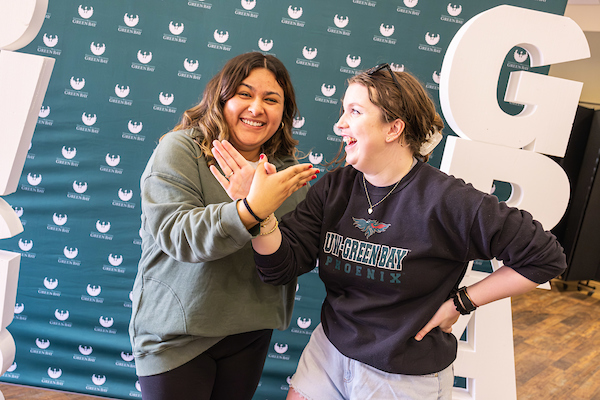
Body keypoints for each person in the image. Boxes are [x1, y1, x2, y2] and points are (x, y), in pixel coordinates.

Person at [215, 63, 567, 399]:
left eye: (354, 112)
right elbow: (280, 267)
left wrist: (463, 302)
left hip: (403, 376)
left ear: (393, 128)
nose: (339, 125)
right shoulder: (334, 189)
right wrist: (257, 212)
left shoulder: (448, 200)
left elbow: (544, 257)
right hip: (329, 354)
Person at [128, 52, 319, 400]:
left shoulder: (286, 172)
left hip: (249, 332)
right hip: (175, 337)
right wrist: (251, 209)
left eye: (271, 99)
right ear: (221, 97)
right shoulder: (180, 149)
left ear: (284, 112)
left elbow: (291, 258)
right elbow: (180, 236)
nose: (257, 108)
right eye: (244, 94)